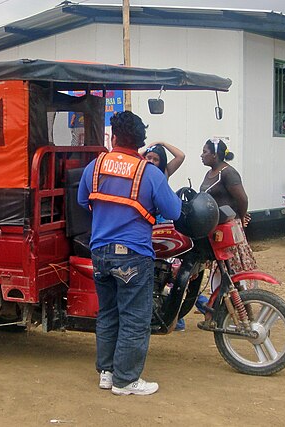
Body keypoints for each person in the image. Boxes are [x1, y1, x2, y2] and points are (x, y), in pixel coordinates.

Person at [77, 111, 181, 396]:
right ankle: (126, 380)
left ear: (115, 136)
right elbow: (174, 211)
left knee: (108, 314)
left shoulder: (95, 167)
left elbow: (81, 200)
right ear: (140, 140)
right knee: (134, 317)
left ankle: (107, 374)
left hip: (99, 253)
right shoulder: (148, 172)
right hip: (133, 255)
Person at [196, 138, 257, 329]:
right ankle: (214, 316)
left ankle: (245, 317)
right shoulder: (211, 173)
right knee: (221, 274)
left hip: (228, 230)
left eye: (205, 151)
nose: (202, 154)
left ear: (215, 154)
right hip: (215, 230)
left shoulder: (228, 173)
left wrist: (240, 216)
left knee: (232, 273)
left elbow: (242, 198)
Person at [139, 141, 186, 331]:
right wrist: (149, 147)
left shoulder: (163, 173)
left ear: (162, 161)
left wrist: (161, 143)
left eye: (155, 159)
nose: (150, 161)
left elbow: (181, 156)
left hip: (162, 226)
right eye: (148, 158)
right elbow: (134, 154)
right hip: (148, 226)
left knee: (169, 269)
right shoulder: (141, 172)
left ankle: (176, 316)